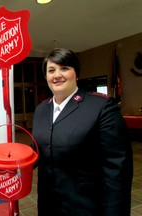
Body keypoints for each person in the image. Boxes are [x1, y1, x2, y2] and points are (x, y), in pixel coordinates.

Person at [32, 48, 133, 216]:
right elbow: (37, 148)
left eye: (64, 68)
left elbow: (117, 171)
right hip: (49, 206)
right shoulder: (42, 109)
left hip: (85, 207)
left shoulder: (101, 107)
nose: (57, 75)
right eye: (51, 70)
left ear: (76, 74)